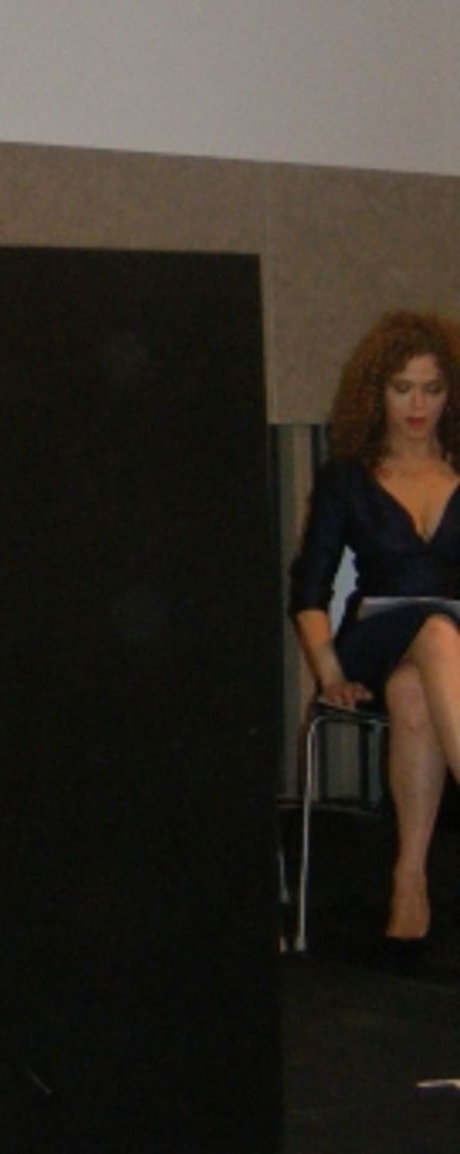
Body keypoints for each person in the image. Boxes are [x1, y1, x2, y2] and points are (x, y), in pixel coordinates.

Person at [289, 309, 460, 945]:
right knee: (436, 637)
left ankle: (409, 884)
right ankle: (409, 886)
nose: (418, 405)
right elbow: (310, 592)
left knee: (419, 687)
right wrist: (328, 672)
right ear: (377, 392)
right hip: (374, 633)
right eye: (402, 388)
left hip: (449, 652)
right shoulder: (348, 479)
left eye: (433, 389)